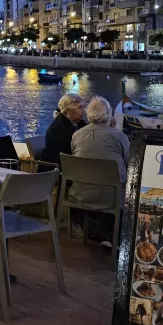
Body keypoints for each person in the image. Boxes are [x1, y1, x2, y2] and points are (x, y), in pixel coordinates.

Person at [69, 96, 130, 250]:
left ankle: (101, 234)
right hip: (110, 197)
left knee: (103, 182)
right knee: (117, 185)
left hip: (80, 194)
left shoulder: (77, 135)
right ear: (108, 114)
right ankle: (113, 237)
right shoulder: (119, 136)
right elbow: (129, 162)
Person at [40, 94, 86, 166]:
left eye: (83, 107)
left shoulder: (79, 123)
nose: (84, 110)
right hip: (56, 170)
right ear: (67, 111)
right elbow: (69, 153)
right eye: (79, 107)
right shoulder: (58, 128)